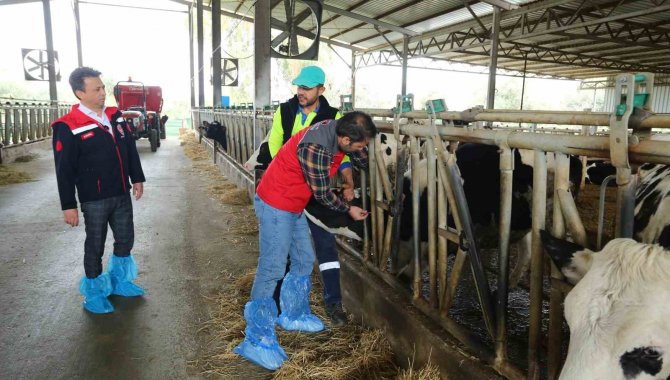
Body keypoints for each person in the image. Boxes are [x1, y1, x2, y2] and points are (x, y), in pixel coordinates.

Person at [234, 111, 376, 370]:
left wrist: (378, 173)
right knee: (272, 267)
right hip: (276, 202)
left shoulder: (339, 130)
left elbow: (361, 158)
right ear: (344, 139)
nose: (362, 149)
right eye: (360, 144)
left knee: (303, 258)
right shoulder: (316, 147)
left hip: (295, 202)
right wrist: (349, 209)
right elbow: (322, 194)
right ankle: (257, 337)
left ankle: (293, 313)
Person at [51, 67, 146, 314]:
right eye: (97, 89)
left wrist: (136, 178)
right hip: (94, 199)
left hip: (120, 192)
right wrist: (68, 205)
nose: (103, 92)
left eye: (103, 87)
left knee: (126, 238)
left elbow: (129, 150)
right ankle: (94, 293)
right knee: (95, 245)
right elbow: (64, 170)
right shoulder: (69, 126)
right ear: (80, 93)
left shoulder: (115, 117)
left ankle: (120, 282)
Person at [268, 65, 353, 327]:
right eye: (299, 87)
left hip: (318, 192)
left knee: (326, 246)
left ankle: (333, 304)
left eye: (306, 88)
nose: (300, 92)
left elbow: (344, 152)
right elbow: (275, 146)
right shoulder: (284, 111)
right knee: (282, 248)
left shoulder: (334, 116)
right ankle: (274, 302)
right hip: (289, 191)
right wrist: (291, 176)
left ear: (321, 90)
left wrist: (348, 181)